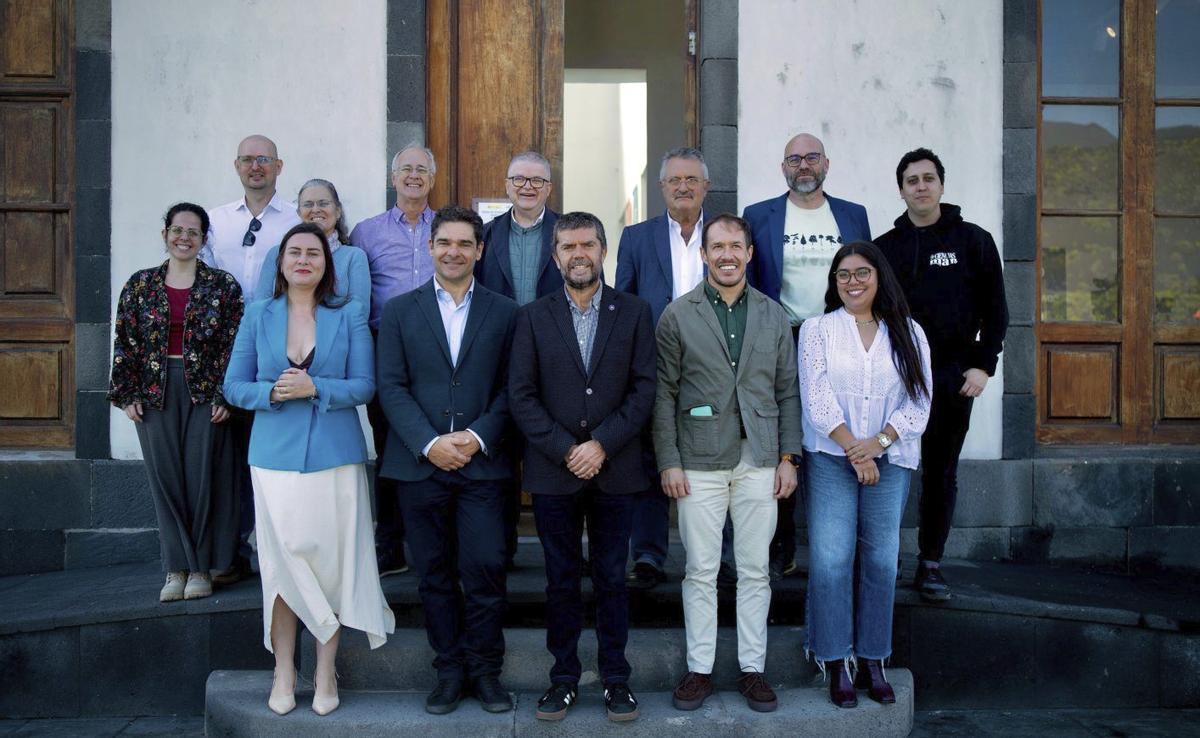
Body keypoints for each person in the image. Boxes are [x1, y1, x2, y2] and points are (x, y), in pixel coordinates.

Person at [223, 222, 395, 718]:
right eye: (294, 252)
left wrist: (316, 388)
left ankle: (324, 671)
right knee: (281, 566)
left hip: (335, 459)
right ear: (280, 263)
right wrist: (271, 393)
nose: (303, 260)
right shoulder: (258, 315)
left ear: (327, 264)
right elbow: (234, 386)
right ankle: (282, 669)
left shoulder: (351, 315)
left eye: (313, 253)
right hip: (273, 458)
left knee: (331, 567)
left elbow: (365, 385)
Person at [509, 212, 656, 723]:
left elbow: (644, 390)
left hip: (616, 470)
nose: (578, 254)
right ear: (555, 256)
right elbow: (521, 396)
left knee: (613, 577)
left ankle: (616, 678)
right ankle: (563, 678)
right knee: (561, 579)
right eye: (568, 246)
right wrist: (568, 448)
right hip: (554, 472)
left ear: (602, 251)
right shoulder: (532, 316)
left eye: (588, 245)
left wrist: (602, 445)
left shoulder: (634, 312)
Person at [654, 213, 801, 714]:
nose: (727, 255)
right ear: (704, 254)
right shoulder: (677, 315)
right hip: (697, 459)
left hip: (761, 457)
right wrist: (668, 461)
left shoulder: (773, 314)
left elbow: (788, 391)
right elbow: (664, 394)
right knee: (700, 569)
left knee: (756, 569)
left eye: (736, 246)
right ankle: (699, 670)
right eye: (717, 246)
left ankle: (752, 669)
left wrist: (788, 457)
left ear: (749, 253)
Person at [375, 205, 518, 716]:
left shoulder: (506, 312)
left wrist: (476, 437)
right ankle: (449, 671)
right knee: (433, 573)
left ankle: (485, 672)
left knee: (484, 569)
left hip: (483, 465)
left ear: (480, 251)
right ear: (431, 247)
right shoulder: (398, 311)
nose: (454, 252)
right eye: (445, 243)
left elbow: (512, 389)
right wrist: (431, 443)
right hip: (419, 465)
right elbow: (390, 387)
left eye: (464, 244)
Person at [798, 240, 932, 708]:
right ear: (834, 283)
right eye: (844, 275)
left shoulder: (910, 332)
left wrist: (879, 445)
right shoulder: (817, 330)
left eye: (862, 273)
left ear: (879, 278)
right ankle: (835, 660)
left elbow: (920, 401)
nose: (853, 281)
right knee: (833, 558)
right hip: (833, 456)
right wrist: (855, 450)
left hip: (890, 459)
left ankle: (874, 658)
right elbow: (815, 398)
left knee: (880, 560)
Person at [874, 148, 1008, 602]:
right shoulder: (886, 248)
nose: (921, 186)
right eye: (912, 180)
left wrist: (982, 365)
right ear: (901, 190)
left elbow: (996, 309)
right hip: (895, 379)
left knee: (940, 472)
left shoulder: (973, 240)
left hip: (952, 379)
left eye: (928, 178)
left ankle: (930, 562)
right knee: (886, 467)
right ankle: (880, 559)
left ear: (942, 185)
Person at [743, 132, 872, 580]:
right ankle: (783, 546)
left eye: (811, 157)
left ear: (826, 164)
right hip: (784, 337)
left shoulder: (853, 215)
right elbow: (753, 282)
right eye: (794, 159)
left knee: (842, 429)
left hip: (840, 337)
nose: (803, 165)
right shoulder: (759, 216)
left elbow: (866, 276)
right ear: (783, 167)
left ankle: (841, 547)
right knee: (786, 436)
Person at [108, 202, 243, 603]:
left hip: (205, 391)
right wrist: (127, 392)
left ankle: (200, 567)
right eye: (177, 230)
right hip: (153, 391)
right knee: (165, 480)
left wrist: (226, 395)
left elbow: (236, 346)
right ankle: (175, 567)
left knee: (202, 479)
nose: (184, 238)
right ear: (165, 234)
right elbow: (124, 341)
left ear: (204, 240)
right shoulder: (139, 285)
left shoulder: (223, 287)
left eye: (193, 232)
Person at [202, 134, 301, 585]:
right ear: (236, 165)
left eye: (264, 160)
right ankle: (231, 550)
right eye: (247, 159)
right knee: (228, 455)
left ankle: (275, 551)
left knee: (270, 452)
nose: (255, 167)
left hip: (277, 349)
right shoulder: (216, 222)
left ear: (279, 166)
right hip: (225, 349)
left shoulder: (296, 221)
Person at [614, 146, 710, 590]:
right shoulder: (636, 237)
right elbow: (624, 305)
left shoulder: (726, 234)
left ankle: (715, 555)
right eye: (675, 180)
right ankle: (649, 554)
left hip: (714, 367)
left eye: (692, 179)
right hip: (655, 363)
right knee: (650, 456)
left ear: (706, 187)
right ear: (662, 188)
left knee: (713, 456)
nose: (684, 187)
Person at [350, 143, 439, 578]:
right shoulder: (366, 233)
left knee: (438, 438)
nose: (413, 176)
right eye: (406, 169)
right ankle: (390, 545)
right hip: (385, 345)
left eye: (422, 169)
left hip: (443, 349)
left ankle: (437, 544)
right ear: (393, 178)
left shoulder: (447, 226)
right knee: (389, 446)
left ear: (433, 179)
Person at [474, 150, 563, 570]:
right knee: (500, 460)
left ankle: (556, 552)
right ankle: (502, 549)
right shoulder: (485, 236)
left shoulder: (566, 233)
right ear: (507, 185)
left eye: (537, 181)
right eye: (519, 180)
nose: (528, 187)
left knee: (549, 460)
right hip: (498, 362)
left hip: (553, 362)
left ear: (549, 187)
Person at [256, 179, 370, 307]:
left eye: (323, 203)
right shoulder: (277, 253)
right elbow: (259, 308)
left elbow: (359, 312)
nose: (315, 210)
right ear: (299, 213)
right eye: (308, 204)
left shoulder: (354, 257)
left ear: (338, 211)